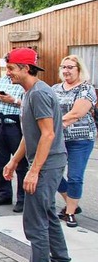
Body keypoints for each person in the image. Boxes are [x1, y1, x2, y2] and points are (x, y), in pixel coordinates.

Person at [3, 47, 71, 262]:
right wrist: (14, 160)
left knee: (35, 217)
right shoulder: (31, 93)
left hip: (47, 163)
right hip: (45, 162)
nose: (8, 73)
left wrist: (34, 170)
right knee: (48, 212)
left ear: (25, 68)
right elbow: (29, 135)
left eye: (11, 68)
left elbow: (48, 134)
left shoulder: (40, 94)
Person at [52, 55, 96, 228]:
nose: (66, 71)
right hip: (59, 139)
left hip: (81, 139)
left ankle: (70, 212)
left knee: (75, 177)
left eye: (70, 67)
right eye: (64, 67)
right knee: (52, 172)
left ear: (79, 70)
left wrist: (53, 126)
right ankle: (72, 202)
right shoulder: (55, 88)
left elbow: (77, 113)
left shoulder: (86, 89)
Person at [0, 75, 28, 212]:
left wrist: (14, 100)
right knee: (0, 161)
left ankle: (22, 198)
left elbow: (29, 104)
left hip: (15, 125)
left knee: (20, 163)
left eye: (11, 67)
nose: (8, 71)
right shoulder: (3, 80)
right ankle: (5, 194)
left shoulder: (26, 82)